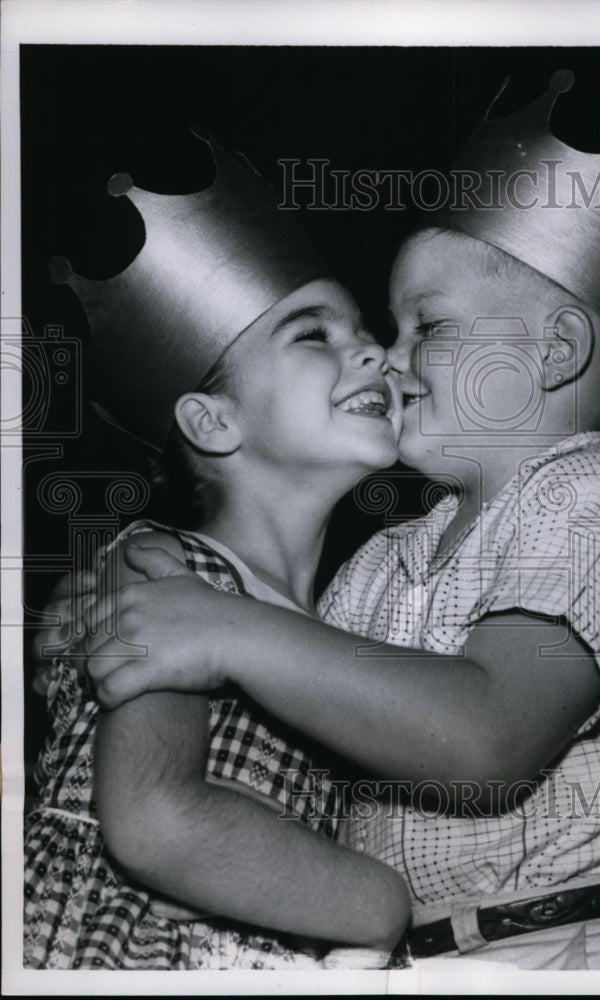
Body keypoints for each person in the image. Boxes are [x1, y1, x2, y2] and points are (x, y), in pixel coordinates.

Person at [37, 72, 600, 969]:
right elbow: (300, 733)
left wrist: (229, 630)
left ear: (553, 354)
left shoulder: (587, 498)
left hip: (590, 944)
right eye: (377, 331)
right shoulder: (377, 567)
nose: (388, 359)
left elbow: (486, 740)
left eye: (424, 328)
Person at [23, 130, 412, 970]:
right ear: (212, 422)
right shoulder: (158, 567)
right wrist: (376, 904)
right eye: (314, 335)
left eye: (363, 327)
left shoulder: (332, 625)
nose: (373, 348)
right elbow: (157, 824)